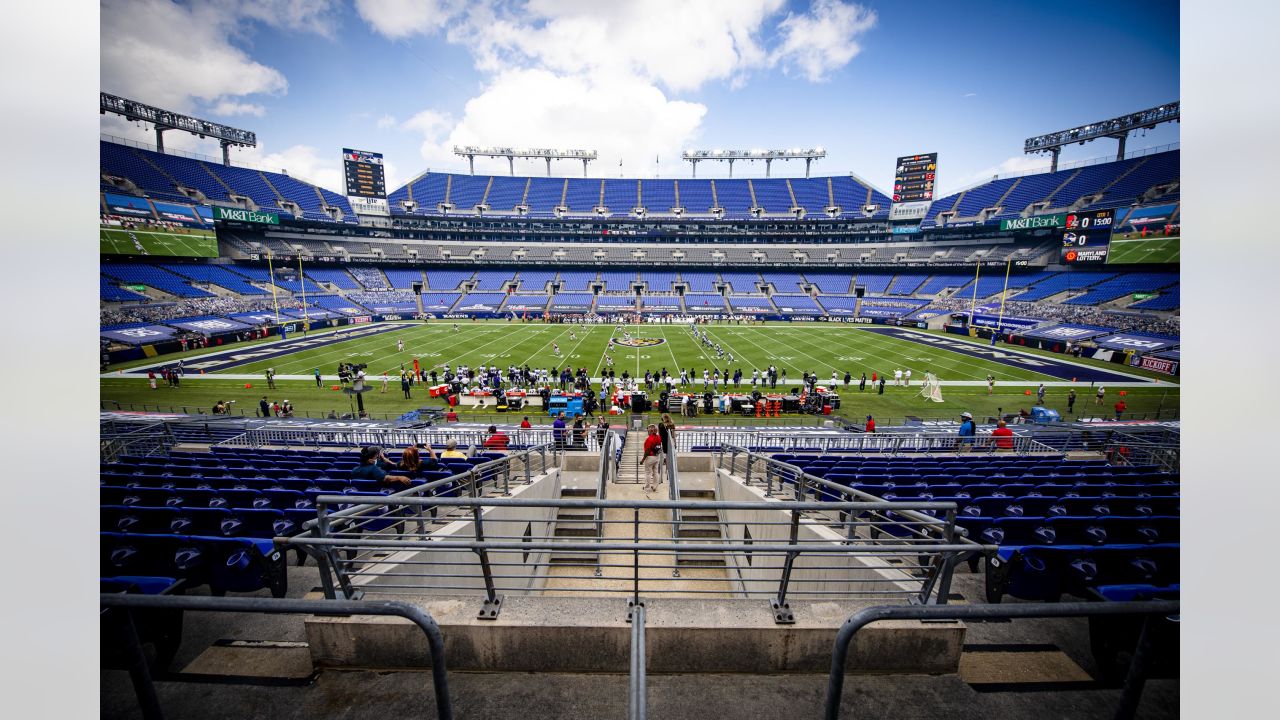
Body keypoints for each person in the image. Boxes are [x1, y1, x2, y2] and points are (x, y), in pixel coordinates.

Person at [642, 424, 663, 493]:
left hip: (650, 457)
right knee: (655, 472)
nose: (648, 430)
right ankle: (655, 488)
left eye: (649, 429)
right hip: (657, 457)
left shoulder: (649, 439)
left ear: (650, 431)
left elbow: (647, 451)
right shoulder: (659, 437)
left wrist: (642, 460)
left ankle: (647, 488)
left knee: (648, 473)